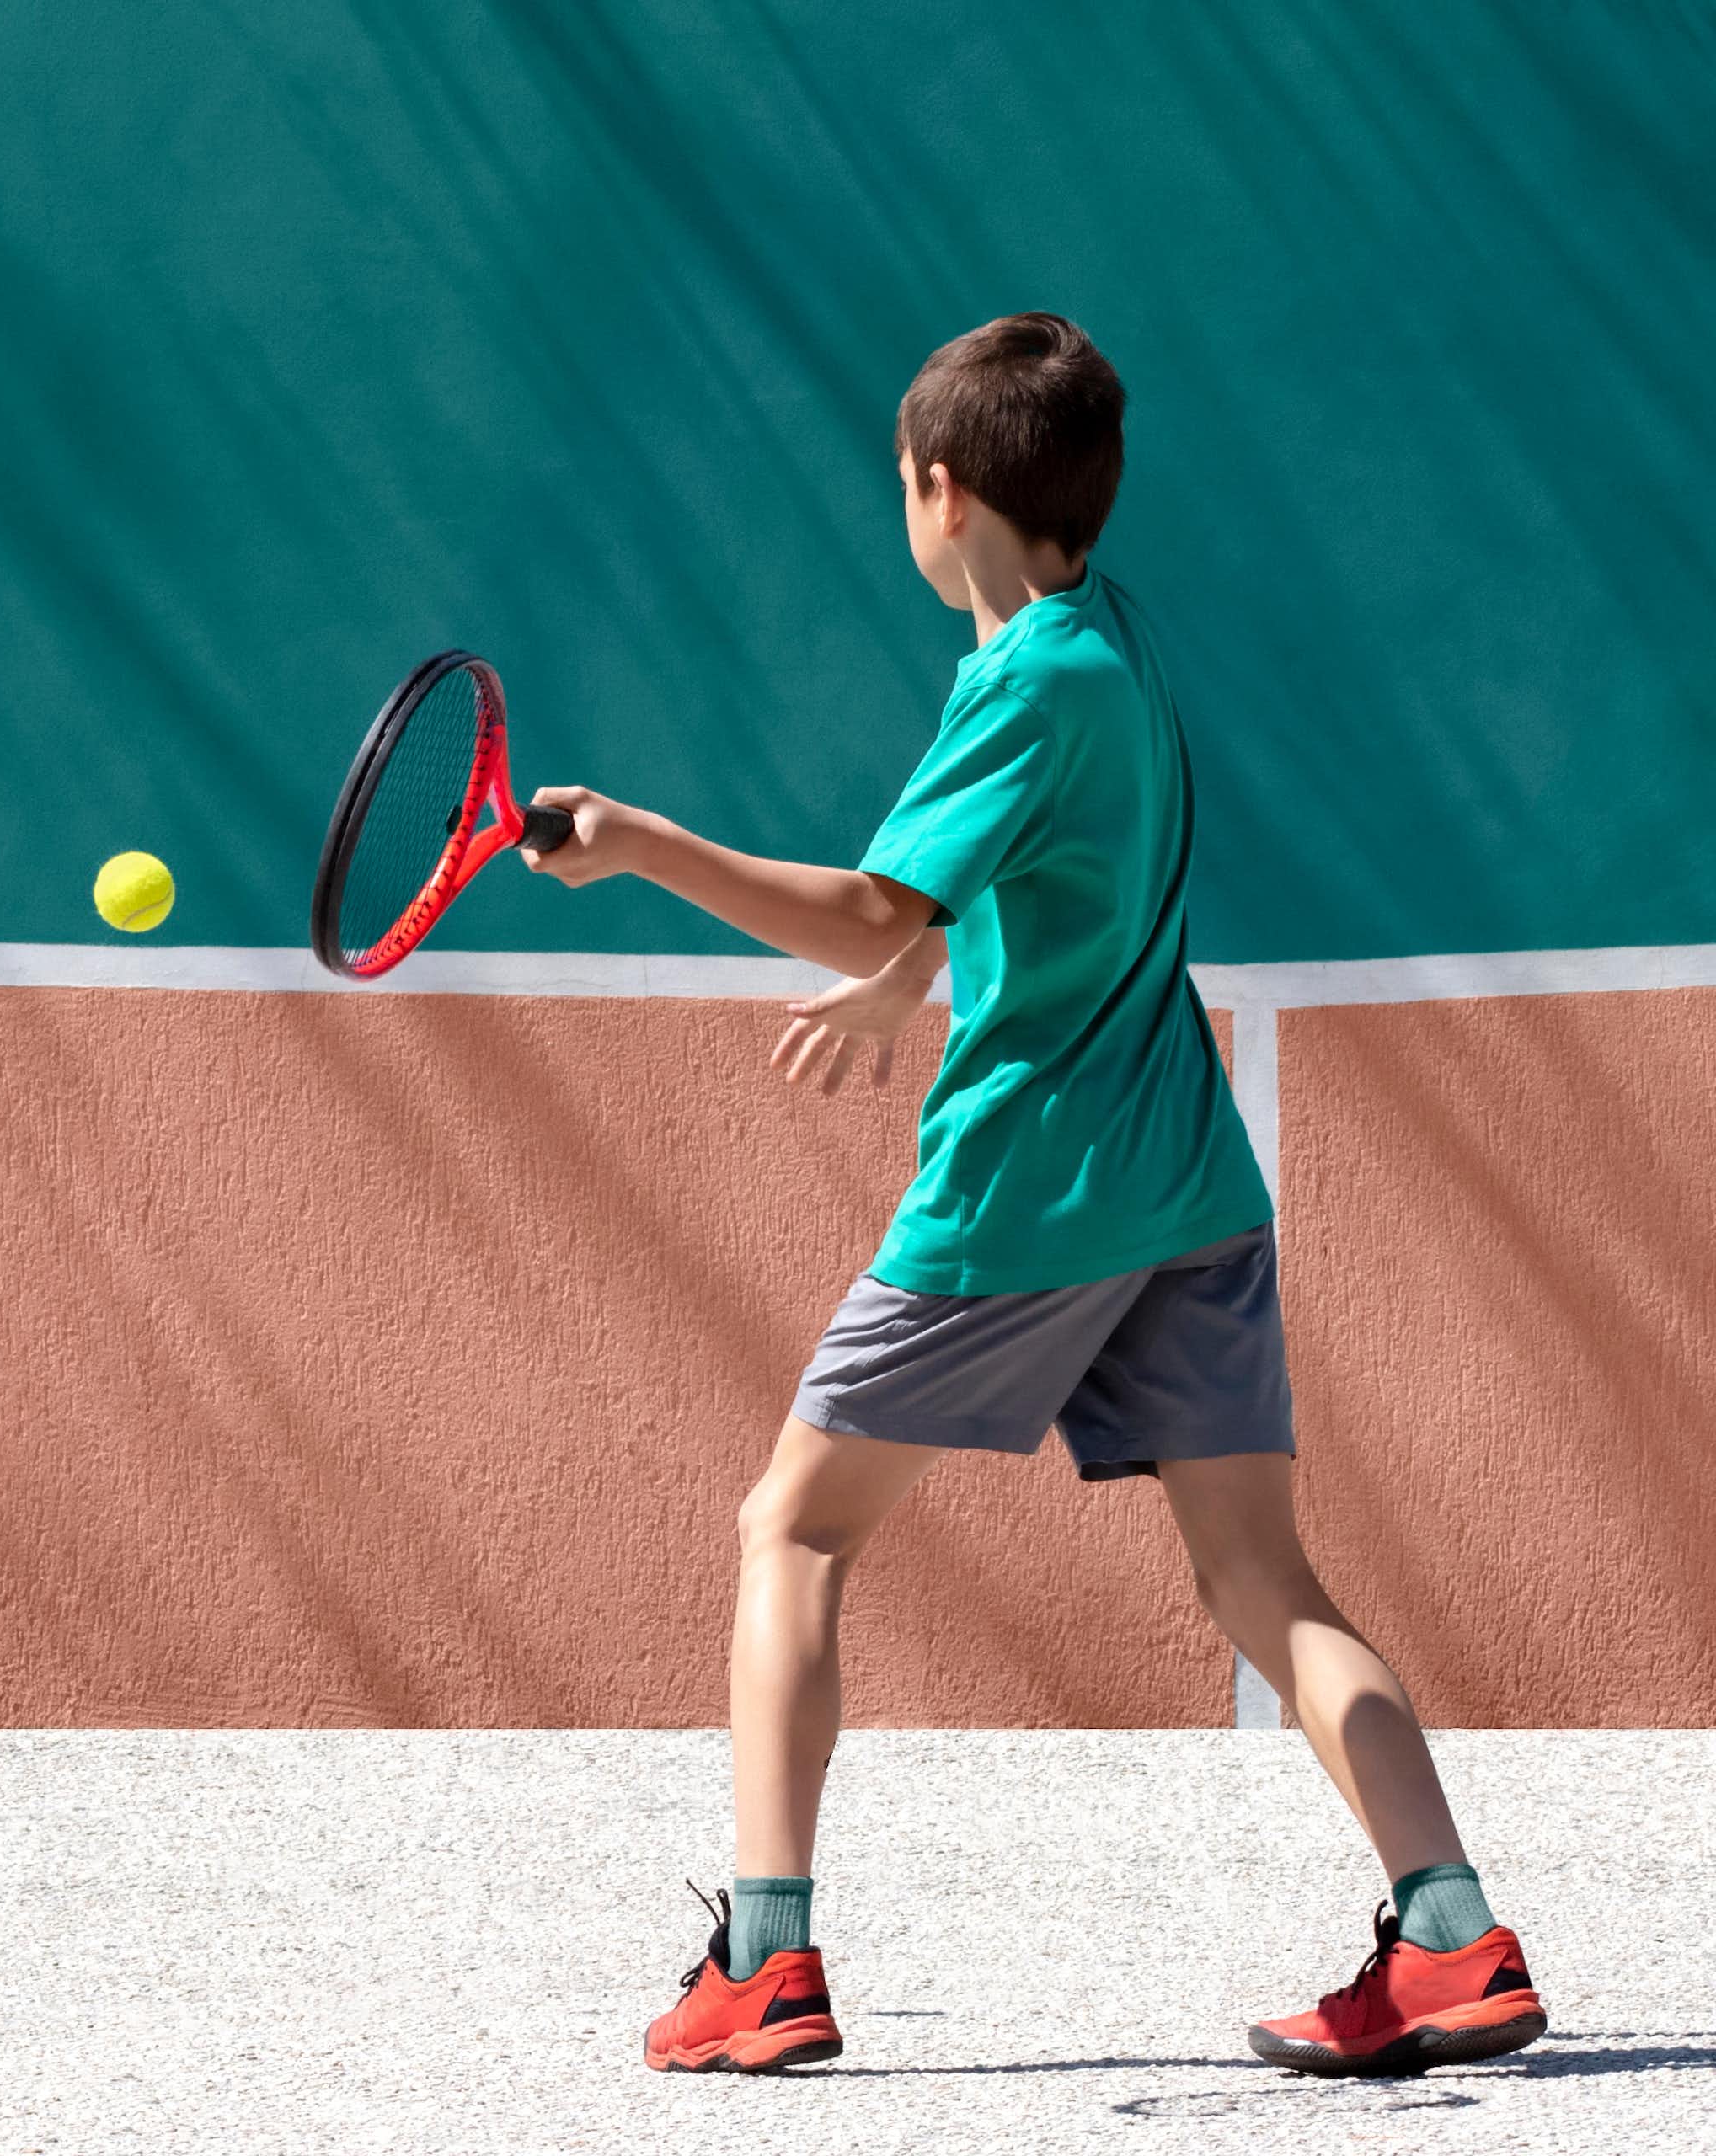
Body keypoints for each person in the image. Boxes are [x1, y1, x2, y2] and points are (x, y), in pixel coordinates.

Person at [521, 313, 1546, 2081]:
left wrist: (642, 844)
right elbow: (1031, 877)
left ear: (940, 489)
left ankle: (764, 1960)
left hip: (1027, 1191)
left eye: (898, 485)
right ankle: (1452, 1937)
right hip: (1186, 1181)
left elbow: (874, 901)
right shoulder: (1105, 640)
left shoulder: (1017, 687)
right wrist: (909, 975)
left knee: (793, 1529)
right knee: (1265, 1577)